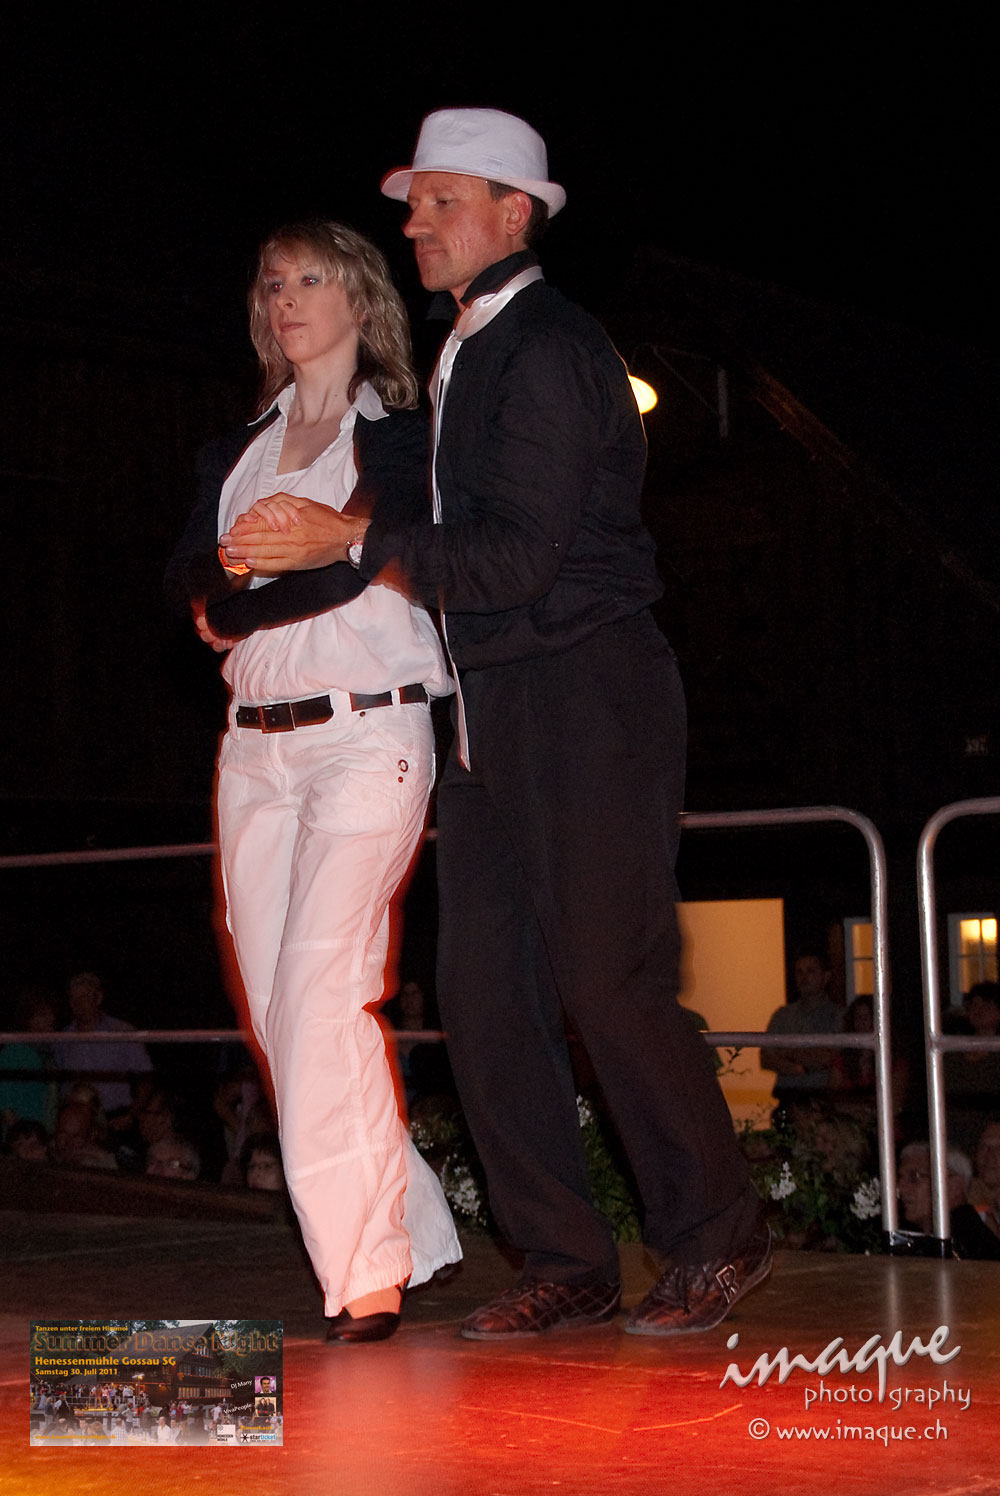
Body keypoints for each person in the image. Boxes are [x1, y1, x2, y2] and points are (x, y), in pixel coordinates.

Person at [219, 109, 768, 1338]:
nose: (414, 223)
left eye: (440, 200)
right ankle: (565, 1256)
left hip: (584, 688)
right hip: (487, 701)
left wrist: (352, 536)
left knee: (608, 978)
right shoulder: (465, 347)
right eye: (412, 204)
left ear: (514, 212)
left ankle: (718, 1233)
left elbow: (519, 558)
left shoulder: (552, 345)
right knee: (483, 993)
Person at [165, 220, 460, 1343]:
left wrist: (268, 581)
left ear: (360, 300)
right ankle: (405, 1223)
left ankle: (366, 1273)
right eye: (272, 282)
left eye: (310, 278)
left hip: (366, 733)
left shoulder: (405, 436)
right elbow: (188, 578)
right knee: (278, 1010)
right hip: (255, 749)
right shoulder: (239, 446)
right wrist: (264, 571)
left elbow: (378, 557)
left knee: (320, 991)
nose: (285, 298)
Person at [52, 972, 153, 1115]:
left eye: (84, 997)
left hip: (115, 1115)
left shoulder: (122, 1032)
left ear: (98, 998)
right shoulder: (62, 1039)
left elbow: (146, 1078)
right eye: (73, 998)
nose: (78, 1003)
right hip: (76, 1118)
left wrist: (131, 1116)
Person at [760, 953, 844, 1113]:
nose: (804, 977)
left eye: (811, 971)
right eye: (799, 972)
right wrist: (803, 1065)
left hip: (823, 1101)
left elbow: (830, 1057)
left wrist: (787, 1053)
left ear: (826, 977)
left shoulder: (839, 1016)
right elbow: (766, 1059)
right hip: (787, 1099)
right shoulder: (782, 1015)